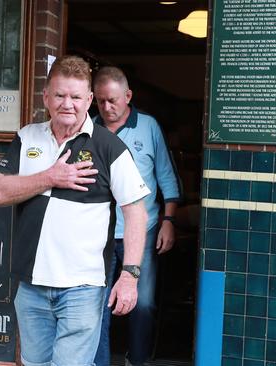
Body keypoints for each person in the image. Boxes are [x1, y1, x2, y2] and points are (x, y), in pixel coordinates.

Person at [0, 55, 150, 366]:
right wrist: (50, 177)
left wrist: (129, 276)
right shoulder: (27, 137)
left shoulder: (109, 147)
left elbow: (136, 212)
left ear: (89, 100)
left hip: (82, 288)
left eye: (76, 97)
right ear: (45, 96)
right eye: (60, 95)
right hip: (31, 286)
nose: (67, 104)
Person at [93, 66, 181, 366]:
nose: (107, 107)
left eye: (113, 100)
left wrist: (169, 222)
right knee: (97, 306)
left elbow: (167, 178)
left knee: (142, 304)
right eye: (101, 101)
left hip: (143, 230)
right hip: (98, 234)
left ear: (128, 95)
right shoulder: (89, 128)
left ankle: (137, 360)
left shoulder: (148, 126)